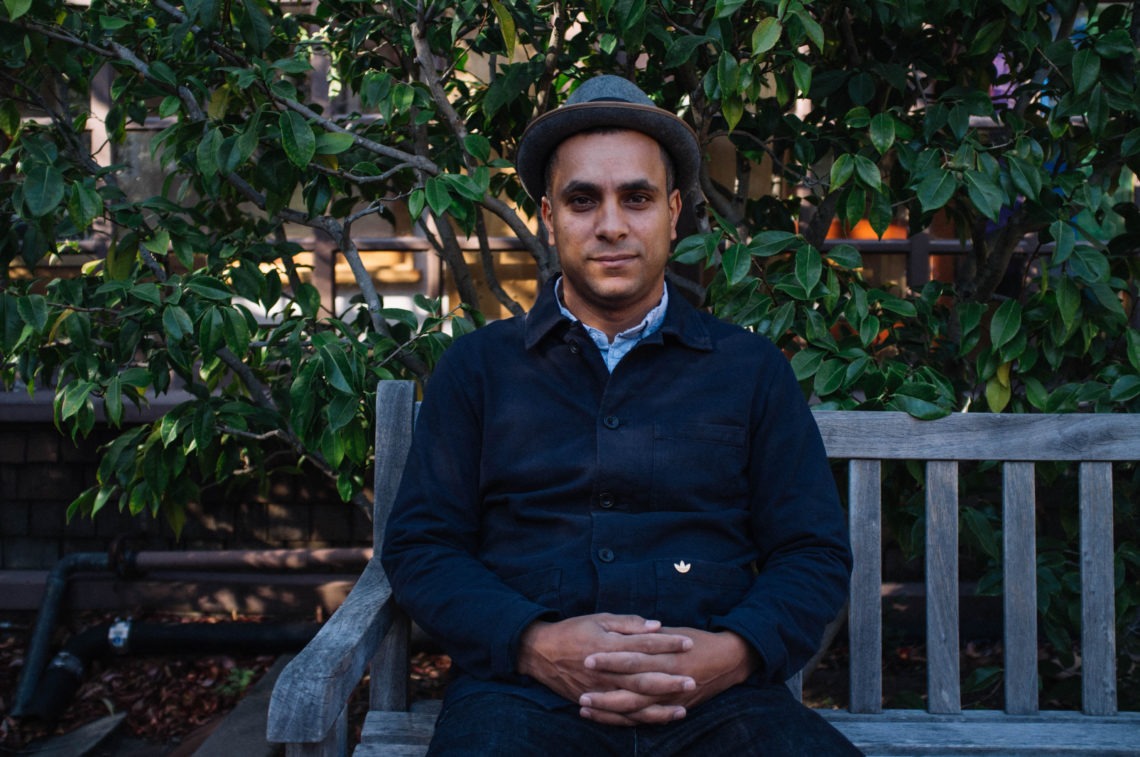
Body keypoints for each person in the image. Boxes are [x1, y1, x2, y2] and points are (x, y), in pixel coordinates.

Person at [382, 75, 861, 756]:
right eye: (583, 200)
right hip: (520, 700)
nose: (611, 224)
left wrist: (732, 653)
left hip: (722, 705)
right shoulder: (479, 371)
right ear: (549, 217)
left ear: (672, 213)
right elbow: (422, 547)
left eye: (635, 198)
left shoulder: (750, 370)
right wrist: (533, 642)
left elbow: (811, 550)